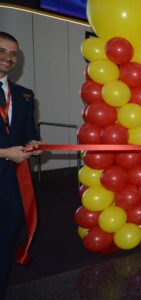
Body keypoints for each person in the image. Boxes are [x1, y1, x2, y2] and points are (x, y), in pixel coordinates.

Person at [0, 31, 44, 298]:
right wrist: (5, 152)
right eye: (2, 51)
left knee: (5, 243)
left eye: (13, 53)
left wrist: (34, 143)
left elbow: (29, 130)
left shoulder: (24, 95)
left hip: (12, 184)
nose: (8, 58)